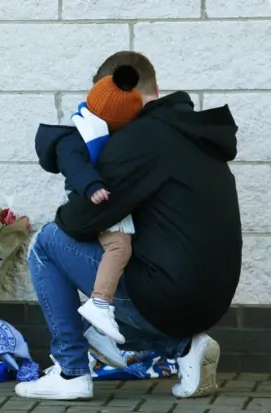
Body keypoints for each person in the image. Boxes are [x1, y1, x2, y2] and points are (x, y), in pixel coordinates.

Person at [18, 51, 242, 400]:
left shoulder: (139, 140)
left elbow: (77, 221)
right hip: (211, 300)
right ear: (156, 86)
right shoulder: (193, 133)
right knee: (104, 311)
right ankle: (183, 347)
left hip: (168, 297)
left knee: (48, 242)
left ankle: (70, 371)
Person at [57, 64, 145, 345]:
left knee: (119, 253)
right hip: (95, 205)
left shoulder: (116, 135)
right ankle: (100, 303)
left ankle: (98, 331)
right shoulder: (80, 134)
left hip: (111, 205)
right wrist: (92, 187)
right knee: (119, 247)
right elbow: (75, 164)